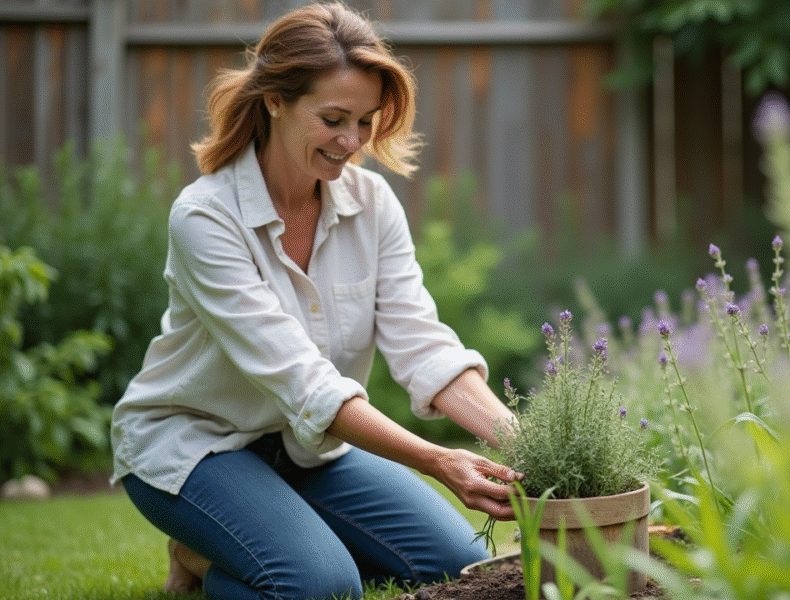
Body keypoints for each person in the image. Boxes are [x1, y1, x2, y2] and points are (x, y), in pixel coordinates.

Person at [109, 3, 521, 599]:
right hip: (197, 444)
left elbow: (421, 343)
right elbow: (302, 380)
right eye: (332, 119)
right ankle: (202, 557)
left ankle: (264, 538)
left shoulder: (372, 204)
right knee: (320, 587)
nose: (352, 141)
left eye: (364, 121)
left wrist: (520, 440)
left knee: (458, 565)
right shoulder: (205, 217)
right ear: (275, 100)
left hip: (307, 450)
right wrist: (437, 460)